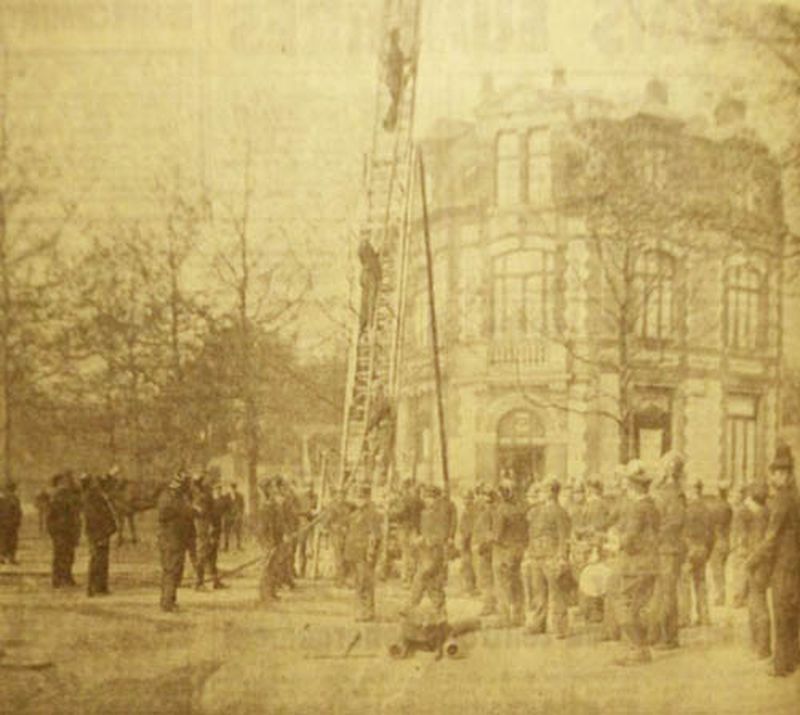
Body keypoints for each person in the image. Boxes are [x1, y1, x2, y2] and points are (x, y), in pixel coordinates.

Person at [747, 446, 800, 677]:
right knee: (791, 612)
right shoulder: (793, 498)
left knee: (781, 613)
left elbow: (771, 538)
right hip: (793, 563)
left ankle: (782, 665)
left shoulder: (781, 500)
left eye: (779, 473)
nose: (774, 477)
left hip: (783, 565)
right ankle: (791, 660)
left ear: (785, 475)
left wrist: (752, 559)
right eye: (775, 473)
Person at [614, 460, 660, 666]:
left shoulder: (637, 509)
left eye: (628, 487)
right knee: (639, 606)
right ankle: (639, 649)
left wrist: (614, 543)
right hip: (650, 563)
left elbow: (629, 538)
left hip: (635, 565)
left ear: (634, 488)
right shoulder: (652, 506)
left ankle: (638, 649)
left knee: (624, 605)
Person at [524, 477, 571, 637]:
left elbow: (564, 536)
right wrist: (530, 552)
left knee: (557, 593)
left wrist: (562, 557)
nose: (540, 494)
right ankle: (538, 623)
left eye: (543, 491)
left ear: (552, 492)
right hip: (537, 556)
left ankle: (560, 628)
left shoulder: (560, 512)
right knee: (539, 592)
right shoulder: (538, 511)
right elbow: (532, 534)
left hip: (552, 556)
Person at [650, 452, 686, 650]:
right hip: (660, 548)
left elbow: (675, 522)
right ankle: (657, 633)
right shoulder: (663, 490)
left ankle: (669, 637)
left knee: (667, 593)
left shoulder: (675, 493)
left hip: (669, 549)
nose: (662, 470)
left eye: (665, 467)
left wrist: (655, 533)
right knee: (660, 593)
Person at [408, 485, 455, 619]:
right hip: (424, 552)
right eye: (427, 497)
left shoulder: (441, 514)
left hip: (435, 551)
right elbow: (420, 530)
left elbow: (442, 534)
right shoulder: (424, 513)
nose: (428, 500)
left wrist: (428, 540)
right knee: (432, 582)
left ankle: (412, 606)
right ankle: (440, 610)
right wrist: (418, 539)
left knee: (421, 577)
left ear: (436, 498)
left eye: (431, 498)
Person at [344, 484, 383, 622]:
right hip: (353, 553)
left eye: (362, 497)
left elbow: (375, 535)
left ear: (367, 498)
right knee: (358, 582)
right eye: (357, 497)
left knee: (365, 582)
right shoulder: (354, 514)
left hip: (364, 553)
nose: (359, 500)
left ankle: (367, 611)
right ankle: (360, 610)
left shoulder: (372, 514)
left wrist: (371, 553)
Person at [741, 481, 771, 660]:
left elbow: (757, 545)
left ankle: (762, 646)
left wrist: (749, 561)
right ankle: (757, 644)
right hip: (761, 564)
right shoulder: (766, 512)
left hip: (757, 563)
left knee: (757, 603)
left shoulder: (758, 516)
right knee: (755, 602)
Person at [157, 473, 194, 612]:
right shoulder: (168, 498)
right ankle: (167, 603)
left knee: (175, 571)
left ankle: (169, 600)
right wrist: (185, 510)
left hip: (176, 540)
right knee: (171, 571)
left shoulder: (176, 498)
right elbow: (164, 514)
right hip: (170, 541)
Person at [680, 479, 713, 627]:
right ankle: (704, 616)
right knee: (701, 583)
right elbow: (712, 534)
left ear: (694, 491)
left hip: (690, 548)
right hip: (703, 549)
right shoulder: (707, 509)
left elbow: (684, 531)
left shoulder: (687, 510)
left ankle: (685, 618)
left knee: (684, 583)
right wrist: (707, 551)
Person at [81, 474, 118, 597]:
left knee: (101, 560)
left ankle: (100, 587)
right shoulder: (93, 497)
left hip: (101, 532)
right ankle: (94, 588)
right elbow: (94, 517)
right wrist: (100, 534)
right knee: (97, 560)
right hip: (99, 533)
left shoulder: (96, 496)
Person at [47, 472, 82, 588]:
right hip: (62, 531)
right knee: (61, 555)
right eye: (66, 481)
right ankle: (59, 579)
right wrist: (54, 531)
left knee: (68, 555)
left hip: (68, 530)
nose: (68, 483)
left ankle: (66, 577)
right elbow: (51, 517)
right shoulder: (58, 496)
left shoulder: (68, 495)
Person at [192, 474, 224, 590]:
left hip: (210, 529)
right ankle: (198, 582)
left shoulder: (206, 497)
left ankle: (215, 581)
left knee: (212, 555)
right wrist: (210, 529)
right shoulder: (202, 498)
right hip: (204, 530)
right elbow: (204, 515)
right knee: (202, 555)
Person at [256, 479, 283, 604]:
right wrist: (268, 543)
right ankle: (265, 595)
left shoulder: (271, 505)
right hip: (268, 541)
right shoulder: (264, 507)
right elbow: (263, 528)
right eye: (270, 488)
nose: (273, 491)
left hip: (275, 539)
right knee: (267, 567)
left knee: (273, 567)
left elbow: (277, 524)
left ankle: (271, 592)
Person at [472, 485, 497, 616]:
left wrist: (480, 546)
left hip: (486, 550)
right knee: (488, 578)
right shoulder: (489, 512)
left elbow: (488, 534)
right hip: (487, 549)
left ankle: (489, 605)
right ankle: (491, 604)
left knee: (486, 579)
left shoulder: (488, 513)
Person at [708, 480, 733, 606]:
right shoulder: (728, 507)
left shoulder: (715, 507)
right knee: (721, 569)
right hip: (726, 541)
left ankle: (720, 596)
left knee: (717, 570)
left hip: (717, 541)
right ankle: (721, 594)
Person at [382, 27, 413, 131]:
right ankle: (389, 122)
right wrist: (409, 62)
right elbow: (397, 63)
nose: (399, 38)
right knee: (396, 101)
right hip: (394, 78)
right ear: (394, 38)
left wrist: (408, 61)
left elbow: (399, 62)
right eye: (397, 36)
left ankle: (390, 122)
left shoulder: (394, 49)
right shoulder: (394, 50)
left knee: (396, 101)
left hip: (394, 78)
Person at [324, 488, 354, 587]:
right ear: (336, 496)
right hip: (337, 535)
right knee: (339, 558)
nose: (341, 498)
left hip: (347, 535)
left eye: (343, 496)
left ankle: (345, 579)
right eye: (339, 496)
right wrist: (336, 527)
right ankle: (339, 581)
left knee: (347, 557)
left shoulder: (348, 506)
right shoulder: (332, 507)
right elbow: (327, 523)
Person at [358, 238, 382, 334]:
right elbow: (372, 262)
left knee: (365, 301)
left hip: (365, 275)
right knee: (371, 301)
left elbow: (367, 260)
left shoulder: (361, 247)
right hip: (370, 276)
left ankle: (363, 324)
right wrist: (379, 276)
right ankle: (370, 324)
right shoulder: (366, 247)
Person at [458, 490, 477, 595]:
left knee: (468, 565)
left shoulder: (472, 511)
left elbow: (471, 527)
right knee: (466, 565)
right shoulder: (466, 510)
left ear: (472, 499)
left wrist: (466, 538)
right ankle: (468, 587)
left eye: (468, 498)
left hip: (469, 541)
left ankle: (469, 588)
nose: (466, 501)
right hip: (465, 540)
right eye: (464, 499)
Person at [0, 481, 22, 564]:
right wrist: (17, 521)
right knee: (10, 540)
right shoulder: (14, 499)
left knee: (4, 540)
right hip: (10, 523)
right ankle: (10, 557)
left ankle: (5, 557)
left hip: (6, 523)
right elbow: (18, 512)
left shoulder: (4, 498)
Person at [229, 483, 245, 550]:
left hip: (237, 515)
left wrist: (240, 513)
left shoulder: (240, 496)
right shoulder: (227, 496)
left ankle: (238, 545)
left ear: (236, 488)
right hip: (230, 516)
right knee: (229, 531)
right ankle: (229, 546)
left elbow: (242, 506)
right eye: (232, 488)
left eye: (234, 488)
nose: (233, 489)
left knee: (238, 531)